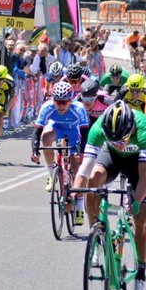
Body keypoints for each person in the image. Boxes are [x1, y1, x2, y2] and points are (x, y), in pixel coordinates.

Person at [70, 101, 146, 290]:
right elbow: (84, 169)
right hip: (112, 160)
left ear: (131, 129)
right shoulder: (98, 127)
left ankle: (141, 276)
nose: (118, 143)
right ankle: (97, 235)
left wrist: (136, 201)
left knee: (141, 219)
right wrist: (74, 196)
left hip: (137, 164)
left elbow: (144, 177)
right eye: (112, 139)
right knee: (93, 181)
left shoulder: (144, 128)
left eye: (122, 139)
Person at [31, 81, 90, 225]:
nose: (61, 106)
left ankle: (80, 207)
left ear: (71, 100)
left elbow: (85, 132)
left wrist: (81, 153)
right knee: (46, 137)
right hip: (56, 127)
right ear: (53, 100)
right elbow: (37, 131)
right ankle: (52, 173)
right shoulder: (47, 107)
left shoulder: (79, 108)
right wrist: (35, 151)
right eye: (58, 102)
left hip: (74, 131)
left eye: (65, 102)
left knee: (77, 168)